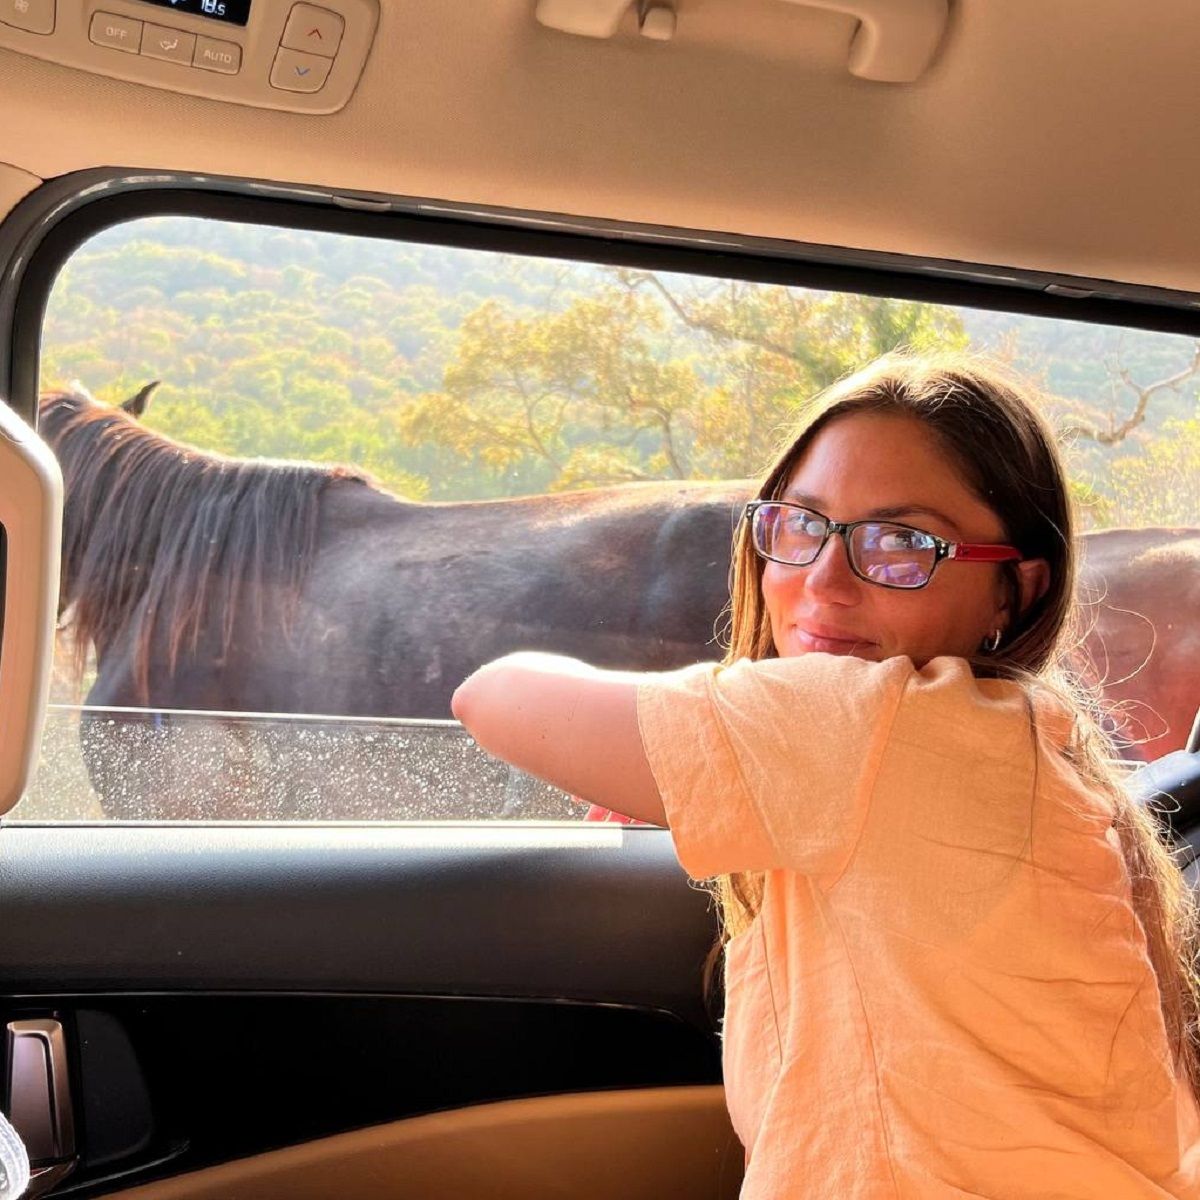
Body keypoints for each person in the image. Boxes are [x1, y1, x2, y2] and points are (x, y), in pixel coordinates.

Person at [452, 353, 1200, 1198]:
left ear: (1013, 592)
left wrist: (683, 731)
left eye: (899, 543)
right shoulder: (1010, 742)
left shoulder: (881, 726)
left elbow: (494, 694)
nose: (823, 578)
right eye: (800, 525)